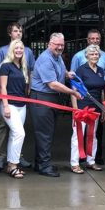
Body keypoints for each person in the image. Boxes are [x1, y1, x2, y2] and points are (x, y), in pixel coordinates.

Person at [30, 32, 82, 177]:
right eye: (56, 45)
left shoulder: (57, 57)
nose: (59, 47)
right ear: (49, 44)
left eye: (62, 45)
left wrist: (67, 74)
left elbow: (60, 71)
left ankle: (40, 163)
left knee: (45, 133)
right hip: (42, 98)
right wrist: (72, 93)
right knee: (45, 134)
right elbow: (52, 84)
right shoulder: (46, 59)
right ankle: (44, 166)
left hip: (51, 99)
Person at [0, 22, 35, 171]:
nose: (19, 33)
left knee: (17, 131)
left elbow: (29, 72)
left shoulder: (27, 55)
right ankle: (2, 158)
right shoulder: (3, 55)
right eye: (16, 31)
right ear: (10, 34)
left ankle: (15, 159)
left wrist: (28, 92)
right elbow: (0, 80)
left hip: (21, 101)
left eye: (21, 31)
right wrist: (2, 101)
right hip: (7, 101)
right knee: (9, 129)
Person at [70, 28, 105, 165]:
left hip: (96, 107)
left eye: (96, 54)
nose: (94, 56)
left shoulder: (101, 70)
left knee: (92, 136)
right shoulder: (81, 70)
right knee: (78, 135)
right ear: (86, 55)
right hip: (82, 106)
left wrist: (104, 106)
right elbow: (74, 89)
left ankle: (91, 161)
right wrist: (74, 108)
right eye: (91, 54)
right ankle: (75, 163)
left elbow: (103, 89)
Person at [0, 39, 29, 179]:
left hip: (21, 106)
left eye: (21, 48)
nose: (19, 51)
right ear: (12, 50)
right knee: (20, 133)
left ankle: (10, 165)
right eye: (16, 48)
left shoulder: (22, 66)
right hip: (9, 104)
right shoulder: (5, 66)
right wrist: (5, 106)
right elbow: (2, 87)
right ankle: (14, 165)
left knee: (14, 135)